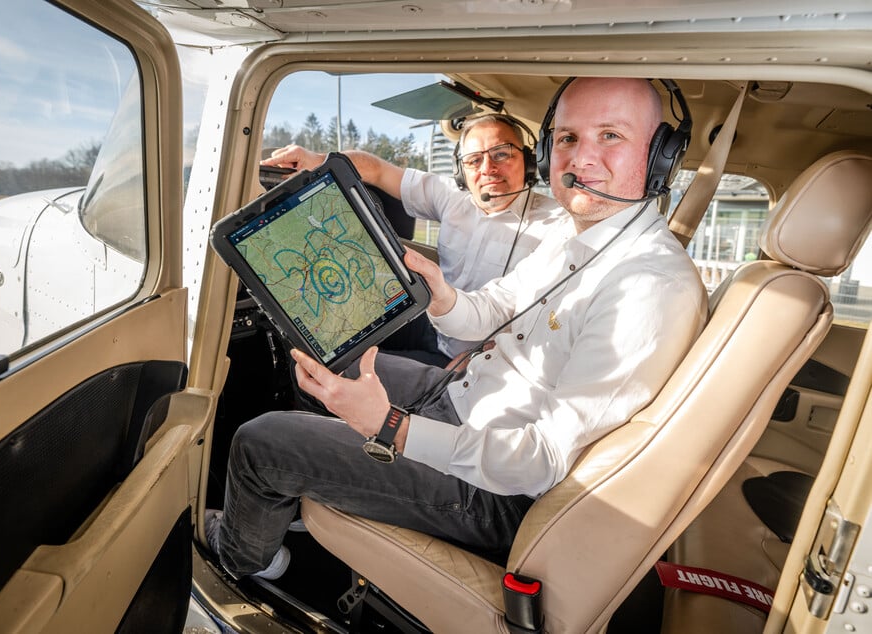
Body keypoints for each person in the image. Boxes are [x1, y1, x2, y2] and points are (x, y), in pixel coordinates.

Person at [206, 77, 708, 581]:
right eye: (569, 138)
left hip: (496, 490)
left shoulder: (649, 286)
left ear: (661, 154)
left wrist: (390, 426)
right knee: (324, 366)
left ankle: (244, 557)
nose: (580, 158)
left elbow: (541, 460)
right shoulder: (577, 234)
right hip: (466, 399)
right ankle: (296, 495)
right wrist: (442, 294)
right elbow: (498, 303)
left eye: (611, 136)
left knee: (259, 443)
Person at [260, 113, 567, 367]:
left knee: (338, 372)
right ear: (462, 170)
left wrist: (486, 359)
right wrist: (316, 160)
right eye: (474, 160)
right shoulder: (451, 196)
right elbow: (378, 171)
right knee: (327, 346)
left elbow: (550, 320)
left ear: (529, 162)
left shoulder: (557, 226)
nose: (488, 169)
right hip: (431, 322)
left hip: (477, 357)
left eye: (501, 154)